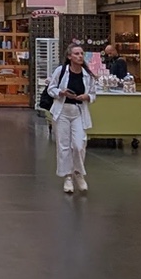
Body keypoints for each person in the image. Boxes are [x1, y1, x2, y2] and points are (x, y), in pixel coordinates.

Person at [49, 41, 98, 195]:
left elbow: (93, 94)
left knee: (78, 144)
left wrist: (87, 96)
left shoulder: (87, 75)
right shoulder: (61, 71)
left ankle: (78, 172)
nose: (80, 56)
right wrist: (61, 93)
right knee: (64, 145)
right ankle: (67, 176)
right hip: (62, 111)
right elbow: (51, 89)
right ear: (69, 56)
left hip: (78, 111)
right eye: (76, 54)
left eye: (82, 54)